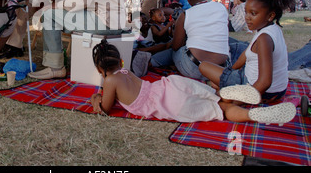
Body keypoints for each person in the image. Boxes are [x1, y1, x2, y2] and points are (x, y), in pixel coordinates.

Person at [89, 40, 296, 124]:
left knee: (220, 111)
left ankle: (251, 115)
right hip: (170, 85)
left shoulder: (110, 81)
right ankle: (229, 93)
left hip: (169, 104)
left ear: (100, 70)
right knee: (214, 97)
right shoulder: (126, 71)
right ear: (120, 60)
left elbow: (106, 109)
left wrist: (95, 99)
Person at [200, 0, 297, 103]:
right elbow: (246, 54)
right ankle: (225, 86)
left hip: (261, 91)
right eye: (246, 12)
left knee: (204, 66)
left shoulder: (264, 38)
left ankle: (228, 91)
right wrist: (231, 71)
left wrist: (240, 100)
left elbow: (265, 82)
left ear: (270, 16)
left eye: (253, 13)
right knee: (217, 81)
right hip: (278, 90)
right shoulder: (271, 29)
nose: (247, 17)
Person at [150, 0, 230, 80]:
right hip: (220, 68)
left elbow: (175, 46)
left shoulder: (185, 14)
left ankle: (154, 61)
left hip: (194, 68)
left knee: (176, 50)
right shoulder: (221, 7)